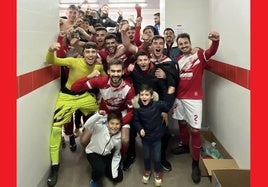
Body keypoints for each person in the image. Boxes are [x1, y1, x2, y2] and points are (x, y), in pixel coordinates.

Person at [46, 41, 106, 187]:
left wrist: (101, 95)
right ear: (83, 53)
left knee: (103, 116)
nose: (91, 54)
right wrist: (50, 50)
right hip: (67, 97)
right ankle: (54, 167)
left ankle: (101, 152)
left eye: (93, 52)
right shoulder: (74, 61)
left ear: (96, 53)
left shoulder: (98, 66)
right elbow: (51, 61)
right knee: (55, 129)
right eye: (88, 52)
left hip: (85, 96)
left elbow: (105, 80)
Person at [171, 31, 220, 184]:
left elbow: (211, 51)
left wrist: (216, 41)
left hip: (194, 100)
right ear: (178, 46)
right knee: (181, 122)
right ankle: (185, 145)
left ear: (190, 43)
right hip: (179, 98)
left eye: (186, 43)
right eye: (181, 44)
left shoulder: (199, 55)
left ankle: (195, 164)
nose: (184, 45)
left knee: (195, 130)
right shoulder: (178, 59)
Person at [71, 59, 135, 159]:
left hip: (120, 114)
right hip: (104, 112)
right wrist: (89, 76)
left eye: (118, 71)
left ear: (123, 72)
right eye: (113, 71)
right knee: (83, 140)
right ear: (108, 71)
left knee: (125, 140)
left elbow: (131, 112)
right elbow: (74, 87)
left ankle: (120, 155)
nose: (115, 74)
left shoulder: (129, 88)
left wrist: (118, 123)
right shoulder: (101, 81)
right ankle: (94, 154)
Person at [132, 84, 173, 186]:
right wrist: (140, 129)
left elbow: (168, 105)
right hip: (145, 138)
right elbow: (136, 121)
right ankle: (147, 170)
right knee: (146, 156)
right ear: (139, 96)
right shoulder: (137, 108)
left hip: (157, 137)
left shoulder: (157, 104)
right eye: (142, 95)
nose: (144, 97)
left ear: (151, 96)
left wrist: (170, 93)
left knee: (157, 157)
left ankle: (158, 172)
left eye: (147, 94)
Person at [83, 110, 123, 187]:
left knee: (118, 178)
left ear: (120, 125)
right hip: (93, 152)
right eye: (112, 123)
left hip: (106, 155)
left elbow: (116, 154)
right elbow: (87, 125)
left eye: (117, 124)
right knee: (100, 169)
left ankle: (103, 168)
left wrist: (114, 172)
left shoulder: (118, 137)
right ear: (107, 123)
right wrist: (98, 115)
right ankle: (94, 180)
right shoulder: (100, 127)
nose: (114, 127)